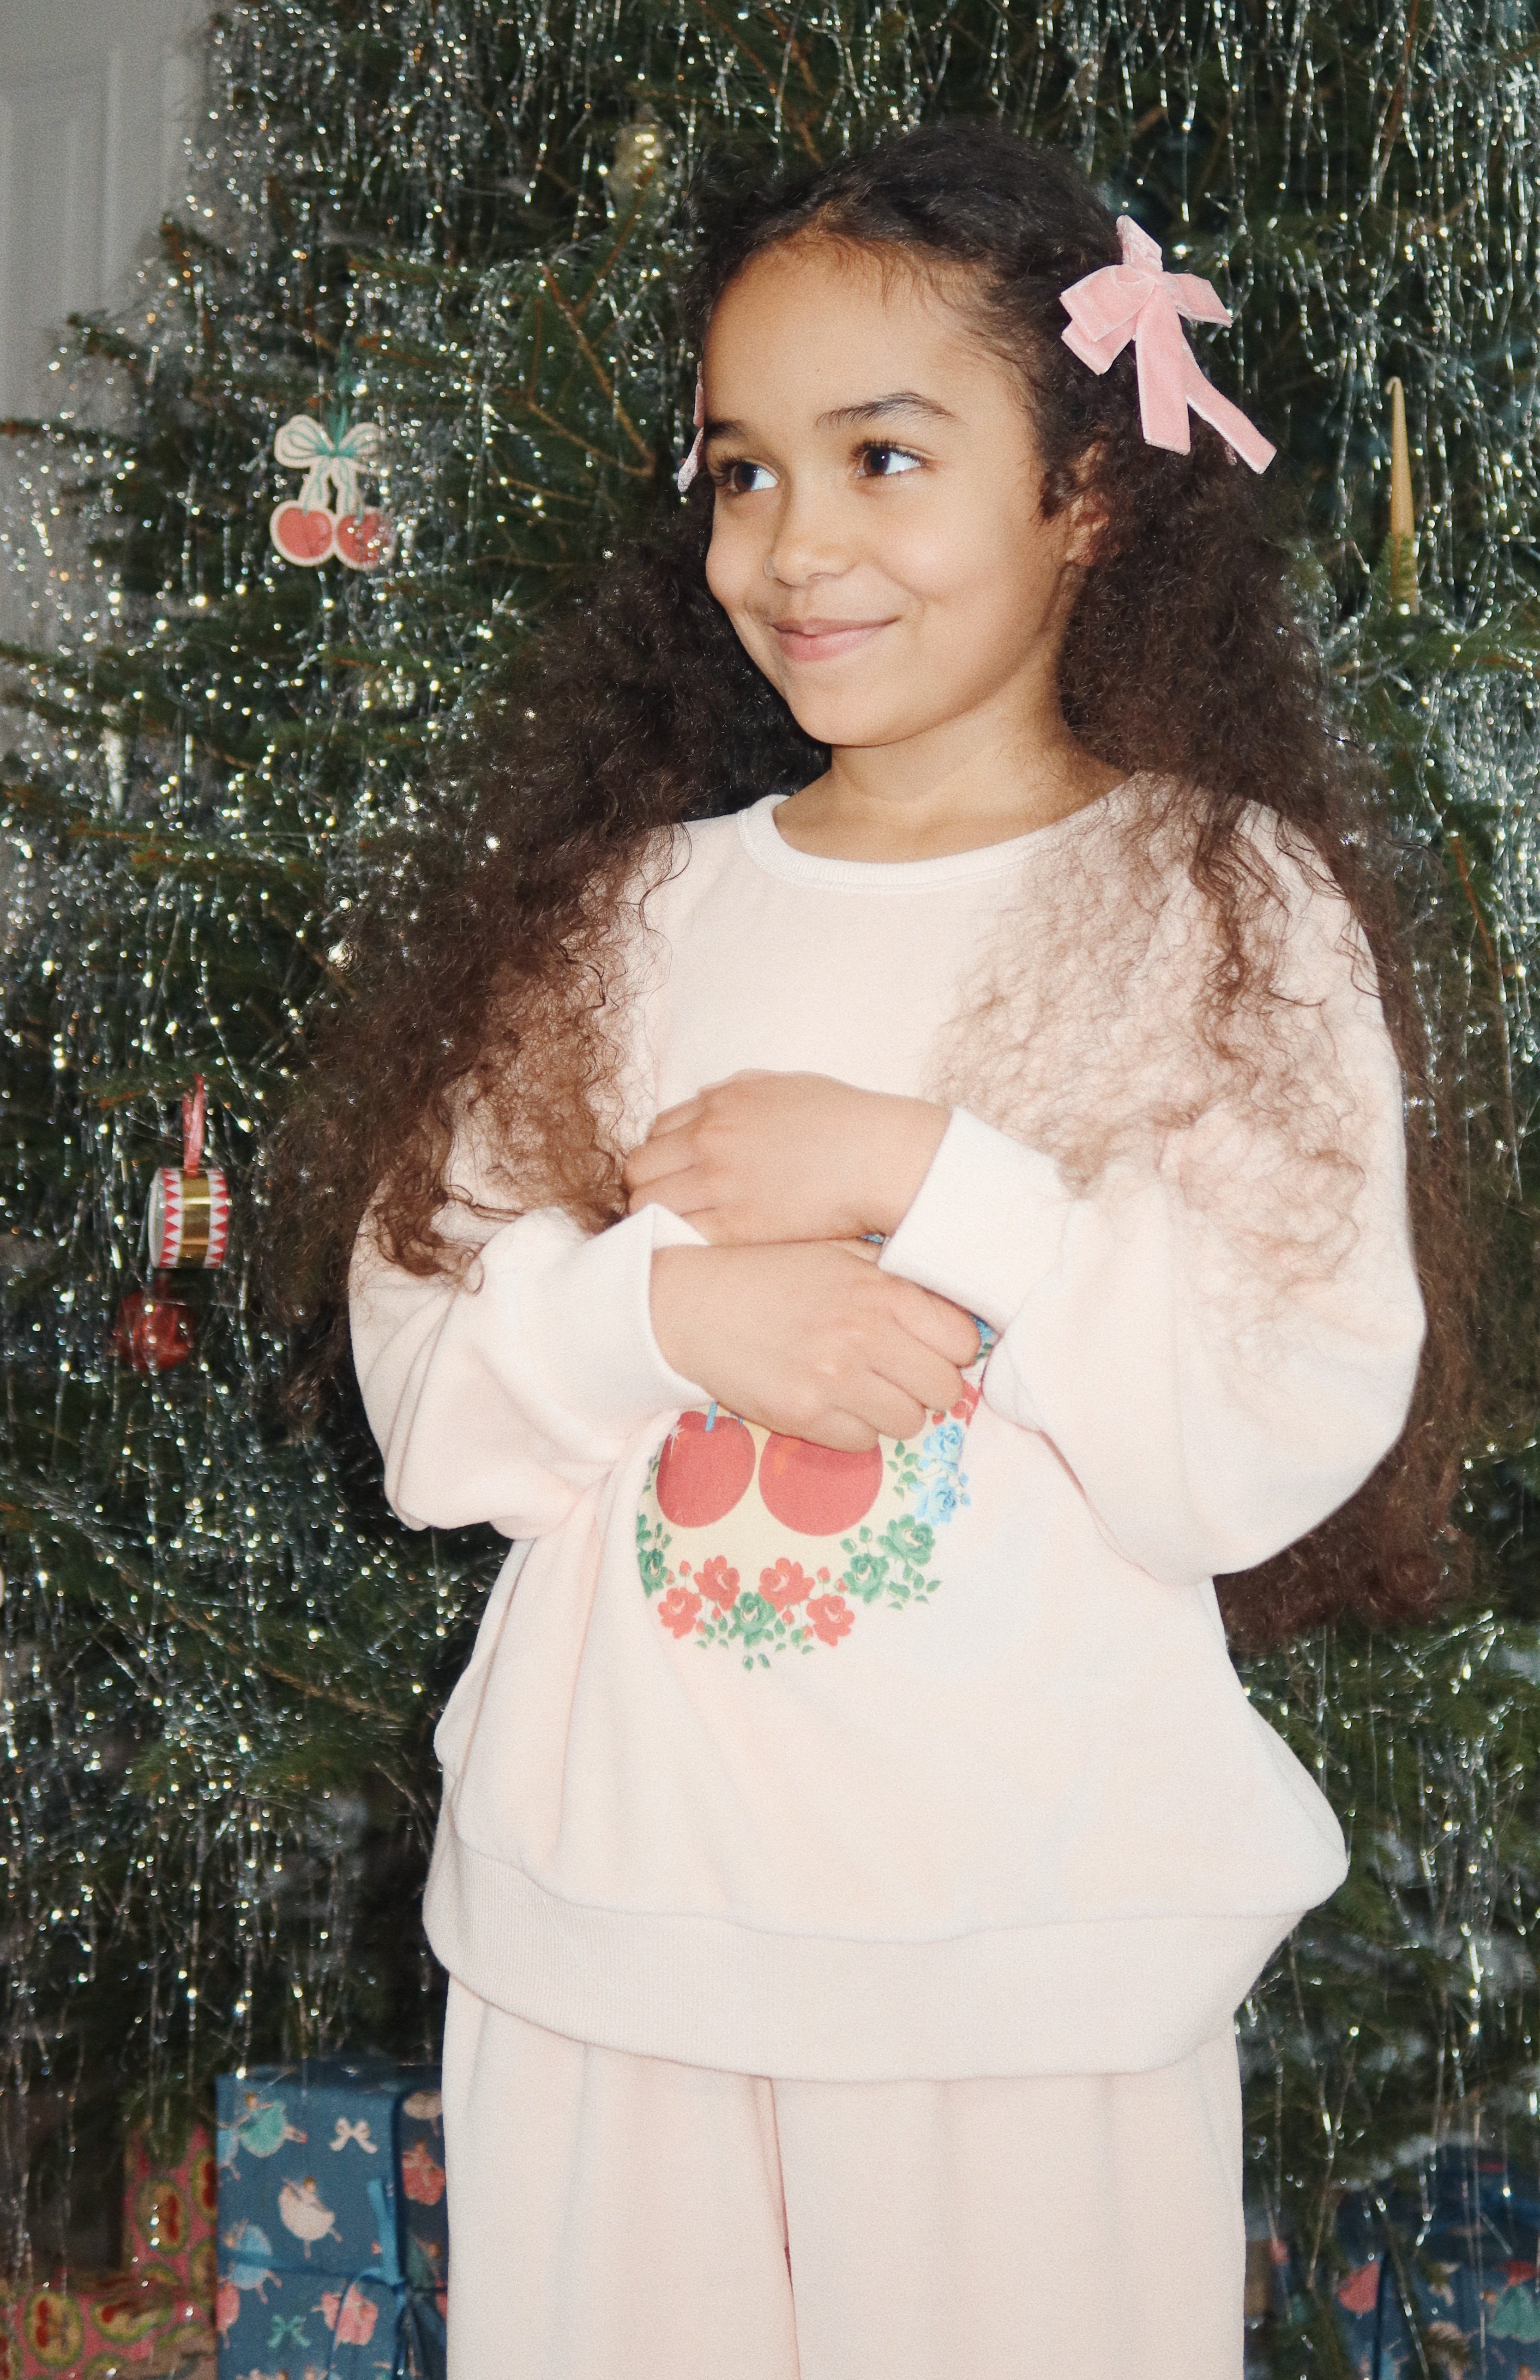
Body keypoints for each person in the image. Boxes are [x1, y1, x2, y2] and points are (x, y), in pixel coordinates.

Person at [272, 121, 1467, 2379]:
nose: (795, 543)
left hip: (1022, 1963)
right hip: (609, 1946)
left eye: (883, 458)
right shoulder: (630, 917)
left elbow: (1262, 1415)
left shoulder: (1216, 906)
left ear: (1085, 494)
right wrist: (664, 1315)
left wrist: (935, 1180)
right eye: (743, 472)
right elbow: (428, 1384)